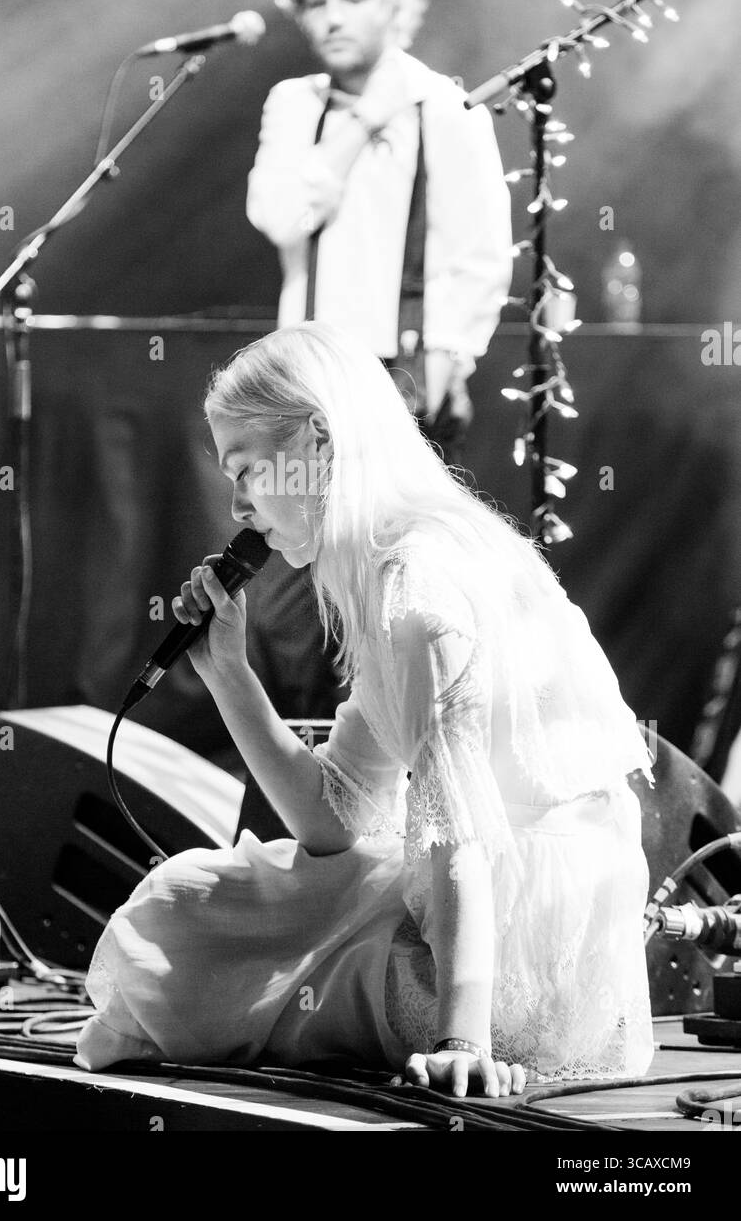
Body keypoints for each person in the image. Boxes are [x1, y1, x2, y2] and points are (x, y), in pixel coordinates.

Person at [75, 323, 655, 1092]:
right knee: (200, 901)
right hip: (524, 937)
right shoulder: (402, 560)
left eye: (246, 470)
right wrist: (229, 679)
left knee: (182, 926)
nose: (240, 506)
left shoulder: (416, 586)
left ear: (319, 437)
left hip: (513, 965)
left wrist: (461, 1039)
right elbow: (340, 819)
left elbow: (459, 840)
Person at [247, 0, 513, 453]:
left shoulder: (446, 105)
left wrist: (443, 369)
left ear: (395, 5)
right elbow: (281, 218)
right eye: (316, 3)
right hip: (307, 368)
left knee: (396, 536)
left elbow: (479, 256)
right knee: (304, 534)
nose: (333, 19)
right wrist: (365, 121)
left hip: (407, 371)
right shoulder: (293, 103)